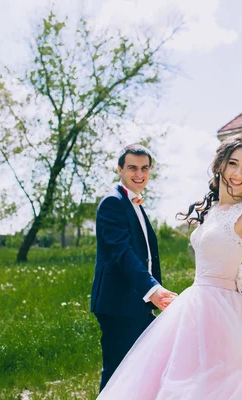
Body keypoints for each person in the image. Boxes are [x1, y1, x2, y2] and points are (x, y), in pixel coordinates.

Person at [97, 134, 242, 399]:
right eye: (233, 164)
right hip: (193, 305)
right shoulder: (210, 208)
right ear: (220, 165)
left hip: (226, 310)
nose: (238, 173)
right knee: (177, 380)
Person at [90, 144, 177, 391]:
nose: (139, 174)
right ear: (120, 169)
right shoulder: (112, 203)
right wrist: (153, 290)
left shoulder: (135, 204)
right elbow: (122, 253)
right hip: (118, 303)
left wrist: (151, 293)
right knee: (117, 373)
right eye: (132, 168)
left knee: (141, 371)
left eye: (144, 168)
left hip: (138, 301)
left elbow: (147, 256)